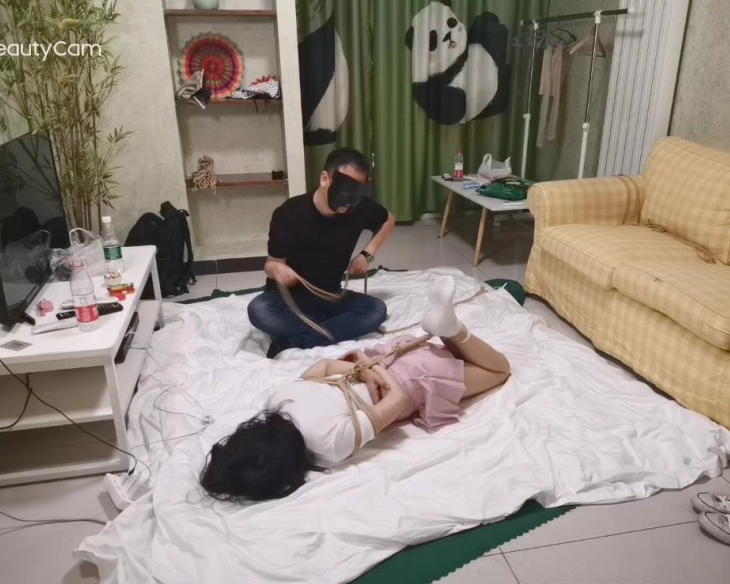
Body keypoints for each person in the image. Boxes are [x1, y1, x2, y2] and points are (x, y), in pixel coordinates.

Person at [201, 276, 511, 502]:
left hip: (411, 378)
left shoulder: (328, 447)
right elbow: (325, 367)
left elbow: (398, 398)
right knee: (472, 363)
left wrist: (374, 374)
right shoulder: (278, 402)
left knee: (498, 370)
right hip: (385, 359)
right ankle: (446, 329)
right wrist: (365, 367)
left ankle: (452, 329)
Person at [247, 148, 397, 358]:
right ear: (325, 179)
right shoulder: (290, 213)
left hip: (329, 296)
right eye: (345, 190)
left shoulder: (359, 208)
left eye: (357, 193)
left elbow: (388, 219)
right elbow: (271, 264)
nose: (349, 201)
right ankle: (333, 328)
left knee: (376, 310)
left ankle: (297, 340)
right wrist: (278, 270)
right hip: (289, 300)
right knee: (259, 310)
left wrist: (367, 255)